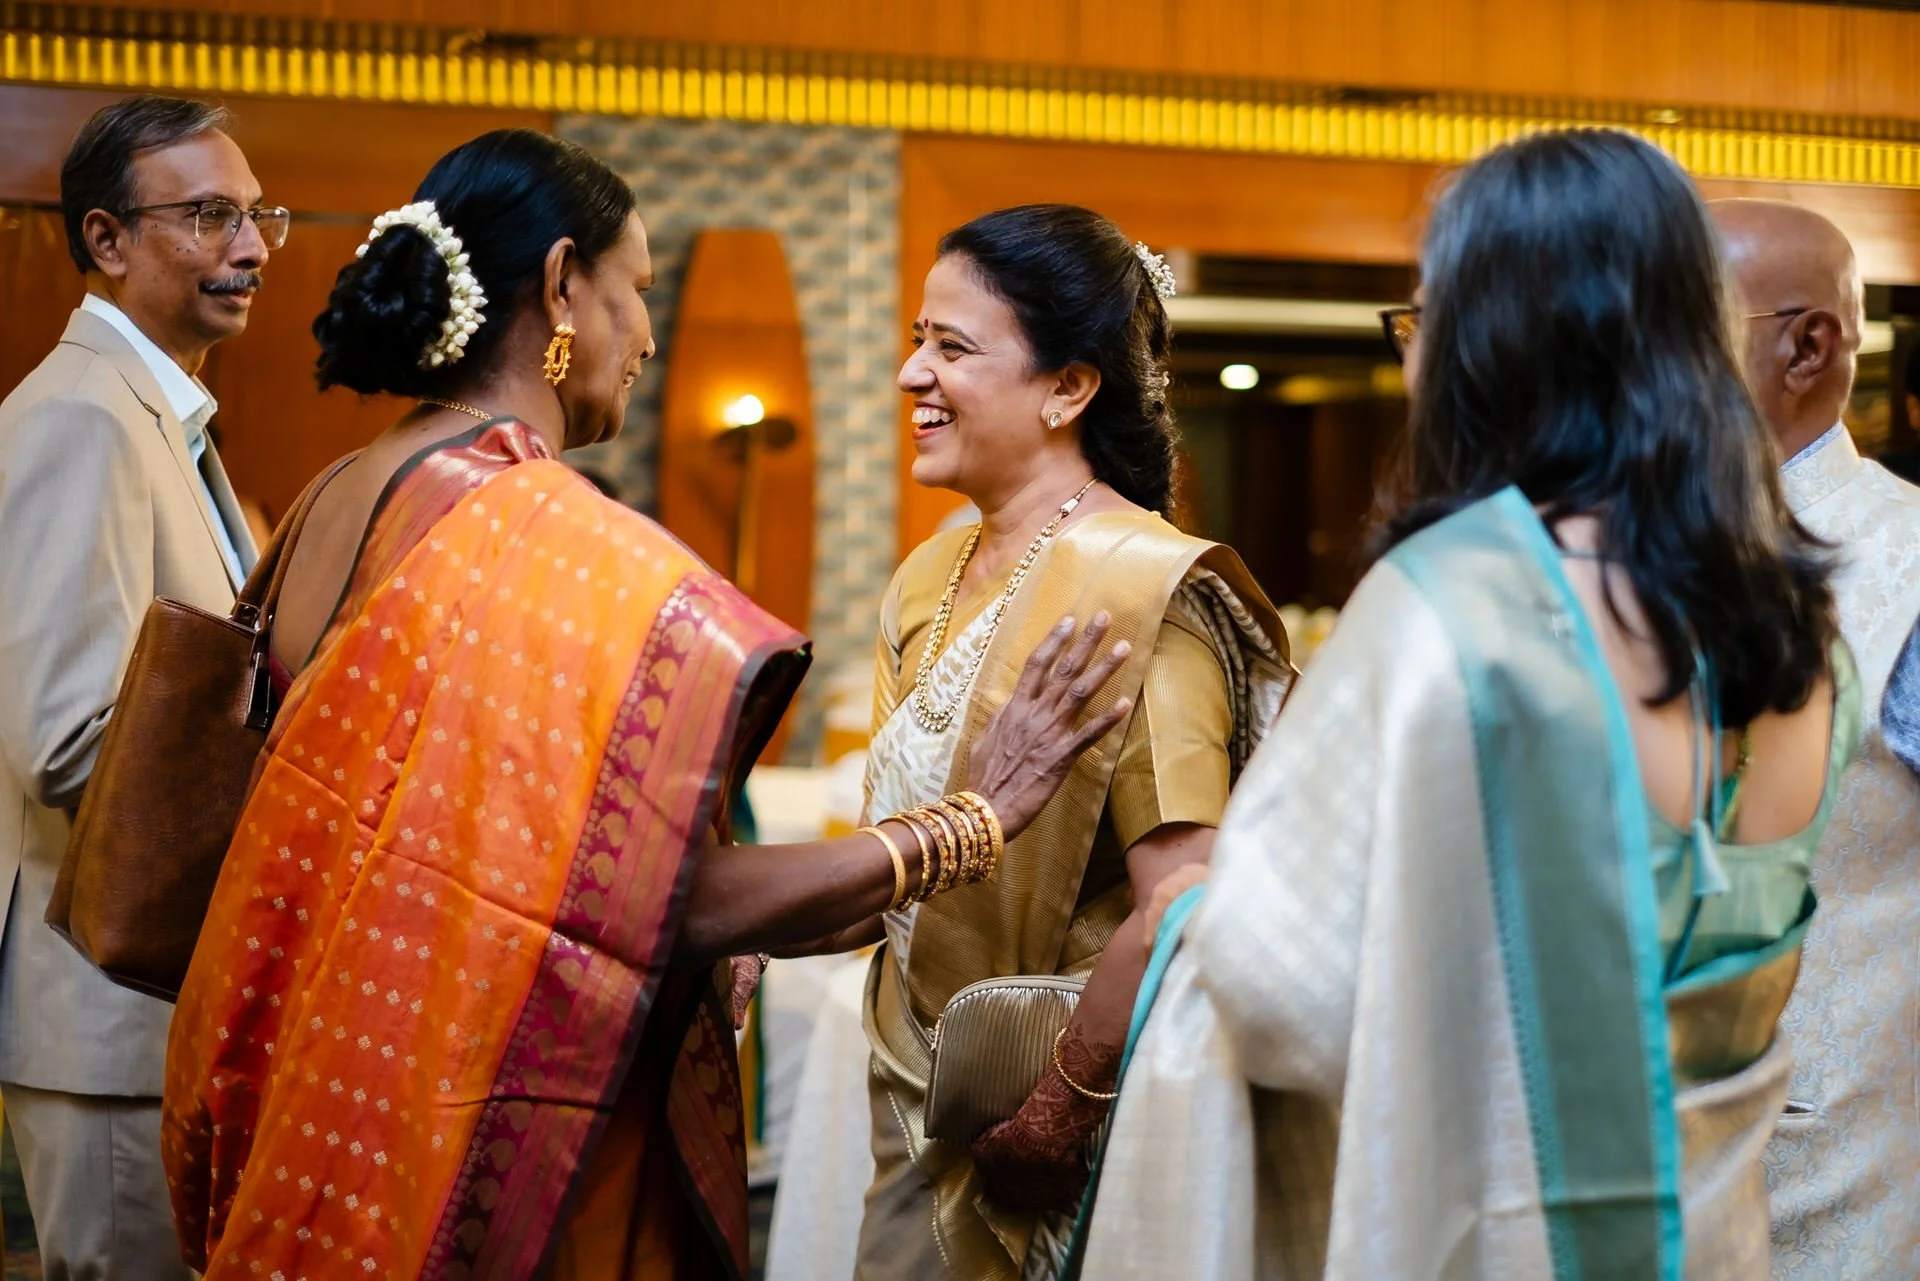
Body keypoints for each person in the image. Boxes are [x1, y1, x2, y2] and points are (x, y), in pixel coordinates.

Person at [159, 129, 1134, 1281]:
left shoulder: (339, 490)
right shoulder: (541, 537)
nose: (649, 337)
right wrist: (970, 821)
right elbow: (672, 900)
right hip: (459, 1129)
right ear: (563, 284)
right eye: (639, 292)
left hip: (306, 1078)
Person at [1077, 129, 1858, 1279]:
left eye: (1423, 319)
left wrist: (1194, 908)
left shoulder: (1452, 605)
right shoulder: (1801, 620)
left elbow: (1280, 988)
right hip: (1714, 1234)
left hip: (1508, 1234)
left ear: (1485, 343)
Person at [850, 204, 1293, 1280]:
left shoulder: (1139, 589)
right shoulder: (927, 577)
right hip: (913, 1087)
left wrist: (1060, 1107)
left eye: (953, 347)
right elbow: (894, 855)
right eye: (917, 339)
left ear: (1069, 387)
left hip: (1051, 1125)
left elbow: (1184, 898)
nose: (913, 373)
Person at [0, 94, 278, 1278]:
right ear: (107, 240)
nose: (252, 248)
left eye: (257, 216)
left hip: (158, 998)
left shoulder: (163, 416)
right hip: (105, 1011)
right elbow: (67, 740)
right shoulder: (83, 417)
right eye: (210, 216)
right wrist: (293, 774)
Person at [1711, 198, 1920, 1281]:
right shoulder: (1608, 556)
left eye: (1680, 329)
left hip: (1840, 1174)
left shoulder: (1908, 568)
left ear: (1808, 347)